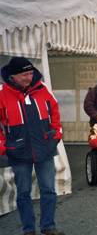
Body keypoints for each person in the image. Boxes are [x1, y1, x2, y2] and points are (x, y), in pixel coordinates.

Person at [0, 57, 64, 235]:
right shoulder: (2, 94)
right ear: (13, 76)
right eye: (24, 74)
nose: (29, 77)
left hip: (44, 148)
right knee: (23, 193)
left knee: (49, 190)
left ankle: (48, 226)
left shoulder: (43, 89)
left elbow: (55, 113)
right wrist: (3, 145)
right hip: (18, 151)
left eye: (30, 73)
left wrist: (56, 134)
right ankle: (28, 230)